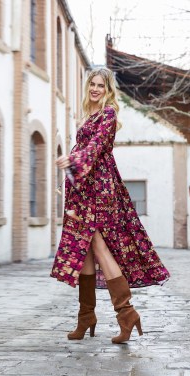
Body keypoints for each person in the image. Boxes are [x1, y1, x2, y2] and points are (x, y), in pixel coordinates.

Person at [50, 67, 170, 344]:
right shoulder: (87, 115)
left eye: (100, 86)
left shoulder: (108, 114)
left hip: (100, 189)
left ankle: (126, 313)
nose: (95, 89)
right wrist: (69, 173)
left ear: (108, 90)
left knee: (99, 247)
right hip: (83, 190)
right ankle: (87, 317)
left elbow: (95, 148)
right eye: (92, 84)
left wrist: (73, 161)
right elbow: (83, 150)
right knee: (86, 253)